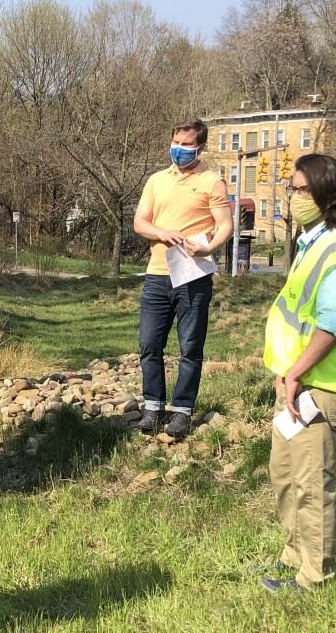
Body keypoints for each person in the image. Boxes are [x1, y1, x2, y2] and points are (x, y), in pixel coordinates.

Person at [260, 154, 336, 594]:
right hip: (296, 384)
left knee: (310, 485)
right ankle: (294, 554)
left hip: (318, 387)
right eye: (292, 188)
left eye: (302, 190)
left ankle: (315, 575)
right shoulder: (311, 244)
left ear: (329, 198)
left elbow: (335, 325)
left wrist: (299, 373)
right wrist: (286, 374)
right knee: (284, 476)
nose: (293, 197)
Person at [130, 119, 232, 439]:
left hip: (193, 276)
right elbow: (140, 223)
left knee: (190, 347)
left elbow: (225, 224)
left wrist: (208, 247)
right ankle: (153, 407)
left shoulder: (211, 182)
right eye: (176, 142)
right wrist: (161, 232)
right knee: (149, 345)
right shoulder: (157, 180)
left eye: (187, 145)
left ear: (200, 147)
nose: (180, 149)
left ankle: (182, 411)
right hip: (158, 275)